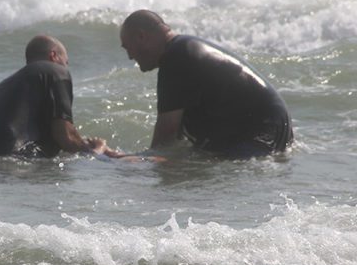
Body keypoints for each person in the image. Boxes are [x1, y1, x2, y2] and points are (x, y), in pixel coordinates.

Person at [119, 9, 293, 158]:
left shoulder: (175, 59)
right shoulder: (183, 49)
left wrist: (117, 160)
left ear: (141, 37)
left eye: (128, 48)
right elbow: (175, 143)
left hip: (259, 135)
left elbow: (163, 145)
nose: (129, 57)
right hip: (274, 129)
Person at [0, 35, 119, 158]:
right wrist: (98, 150)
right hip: (6, 153)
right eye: (66, 62)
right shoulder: (56, 71)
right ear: (54, 56)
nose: (66, 67)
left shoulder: (8, 85)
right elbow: (65, 137)